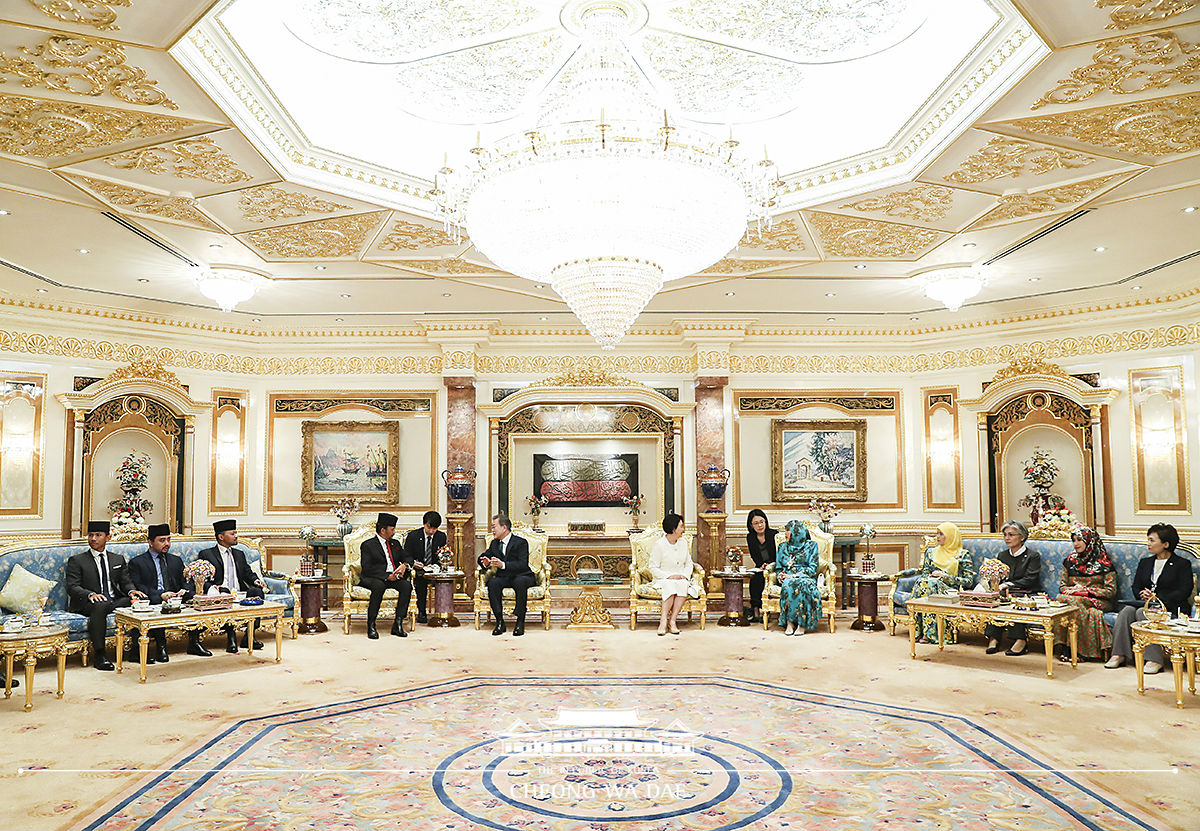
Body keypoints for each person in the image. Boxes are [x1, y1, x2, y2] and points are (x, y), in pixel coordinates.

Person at [1106, 523, 1195, 673]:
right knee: (1127, 610)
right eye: (1148, 539)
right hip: (1145, 603)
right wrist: (1142, 594)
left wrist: (1158, 598)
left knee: (1143, 612)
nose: (1148, 544)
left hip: (1170, 607)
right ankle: (1119, 654)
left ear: (1165, 544)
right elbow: (1136, 586)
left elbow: (1184, 590)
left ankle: (1154, 659)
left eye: (1152, 540)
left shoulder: (1182, 564)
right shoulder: (1145, 563)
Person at [64, 520, 146, 671]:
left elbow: (125, 581)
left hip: (113, 601)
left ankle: (136, 649)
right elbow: (72, 587)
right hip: (88, 603)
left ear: (108, 538)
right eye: (90, 535)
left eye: (98, 535)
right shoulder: (77, 560)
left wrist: (131, 591)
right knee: (100, 605)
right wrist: (90, 594)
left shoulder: (117, 559)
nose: (93, 539)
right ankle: (100, 654)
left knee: (138, 601)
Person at [128, 523, 212, 662]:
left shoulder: (175, 560)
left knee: (195, 597)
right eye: (162, 540)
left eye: (168, 539)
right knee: (157, 603)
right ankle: (161, 647)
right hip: (155, 598)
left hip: (175, 597)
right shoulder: (137, 562)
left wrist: (183, 590)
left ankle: (194, 643)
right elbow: (140, 587)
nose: (167, 543)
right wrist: (160, 595)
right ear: (150, 542)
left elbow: (185, 580)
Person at [892, 522, 974, 644]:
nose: (937, 537)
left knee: (928, 585)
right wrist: (932, 576)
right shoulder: (931, 552)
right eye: (937, 534)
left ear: (951, 536)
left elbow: (968, 581)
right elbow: (925, 573)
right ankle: (921, 631)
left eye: (941, 534)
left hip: (950, 589)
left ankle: (929, 633)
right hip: (930, 585)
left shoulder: (962, 555)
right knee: (923, 582)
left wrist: (946, 577)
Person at [198, 519, 266, 653]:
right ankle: (231, 638)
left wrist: (256, 581)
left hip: (239, 592)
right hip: (220, 594)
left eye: (236, 533)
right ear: (221, 537)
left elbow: (247, 573)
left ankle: (249, 636)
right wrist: (213, 588)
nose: (236, 536)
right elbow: (201, 578)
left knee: (257, 592)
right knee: (225, 594)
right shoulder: (207, 554)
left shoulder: (239, 554)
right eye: (232, 533)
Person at [1053, 526, 1117, 662]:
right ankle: (1070, 647)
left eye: (1079, 540)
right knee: (1061, 598)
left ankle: (1074, 650)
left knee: (1074, 602)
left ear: (1090, 541)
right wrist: (1072, 591)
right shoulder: (1070, 560)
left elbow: (1110, 591)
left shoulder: (1104, 563)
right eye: (1074, 540)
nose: (1076, 544)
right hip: (1074, 598)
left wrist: (1085, 591)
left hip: (1099, 600)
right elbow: (1062, 587)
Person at [984, 520, 1042, 656]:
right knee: (994, 599)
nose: (1007, 538)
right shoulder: (1002, 555)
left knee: (1017, 602)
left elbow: (1029, 579)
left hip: (1027, 592)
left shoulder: (1033, 556)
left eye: (1011, 535)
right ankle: (994, 638)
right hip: (1005, 591)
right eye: (1005, 535)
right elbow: (1000, 576)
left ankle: (1021, 640)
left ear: (1022, 537)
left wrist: (1008, 584)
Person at [358, 512, 412, 639]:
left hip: (393, 577)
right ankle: (371, 624)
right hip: (373, 578)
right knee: (379, 586)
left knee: (406, 586)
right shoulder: (368, 545)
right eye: (392, 529)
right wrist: (386, 576)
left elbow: (408, 557)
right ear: (383, 530)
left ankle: (397, 623)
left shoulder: (395, 543)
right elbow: (367, 568)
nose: (394, 532)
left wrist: (404, 565)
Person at [479, 514, 535, 637]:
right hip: (505, 577)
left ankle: (520, 621)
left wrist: (503, 565)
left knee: (519, 582)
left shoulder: (521, 542)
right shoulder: (494, 543)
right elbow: (483, 556)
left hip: (523, 575)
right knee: (493, 583)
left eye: (494, 527)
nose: (492, 530)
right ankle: (500, 621)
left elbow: (522, 564)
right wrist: (485, 562)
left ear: (504, 527)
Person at [649, 513, 699, 636]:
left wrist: (685, 575)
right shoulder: (659, 545)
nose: (683, 529)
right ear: (673, 528)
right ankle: (663, 621)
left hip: (681, 577)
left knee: (682, 585)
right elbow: (652, 567)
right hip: (663, 578)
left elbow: (689, 563)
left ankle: (673, 621)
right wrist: (668, 576)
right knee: (670, 586)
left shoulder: (683, 543)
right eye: (681, 526)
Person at [775, 520, 822, 636]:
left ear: (797, 532)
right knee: (788, 584)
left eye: (788, 531)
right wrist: (780, 575)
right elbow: (778, 567)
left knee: (803, 585)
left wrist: (794, 575)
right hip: (788, 577)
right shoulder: (782, 546)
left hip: (806, 576)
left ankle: (802, 624)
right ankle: (789, 622)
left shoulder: (812, 546)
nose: (785, 533)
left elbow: (813, 568)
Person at [403, 510, 447, 624]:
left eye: (435, 528)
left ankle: (442, 611)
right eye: (429, 527)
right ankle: (422, 611)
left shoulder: (441, 536)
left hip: (434, 570)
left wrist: (437, 565)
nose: (432, 531)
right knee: (421, 579)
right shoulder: (413, 536)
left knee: (444, 580)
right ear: (424, 524)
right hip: (418, 570)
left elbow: (443, 555)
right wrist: (413, 563)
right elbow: (405, 555)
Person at [745, 509, 775, 623]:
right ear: (751, 526)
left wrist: (770, 565)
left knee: (765, 578)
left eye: (761, 521)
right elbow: (754, 555)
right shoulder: (750, 537)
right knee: (755, 579)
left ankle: (767, 611)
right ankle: (756, 610)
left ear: (766, 522)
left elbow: (779, 553)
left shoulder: (773, 534)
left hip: (774, 566)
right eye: (756, 523)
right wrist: (761, 565)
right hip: (760, 566)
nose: (760, 525)